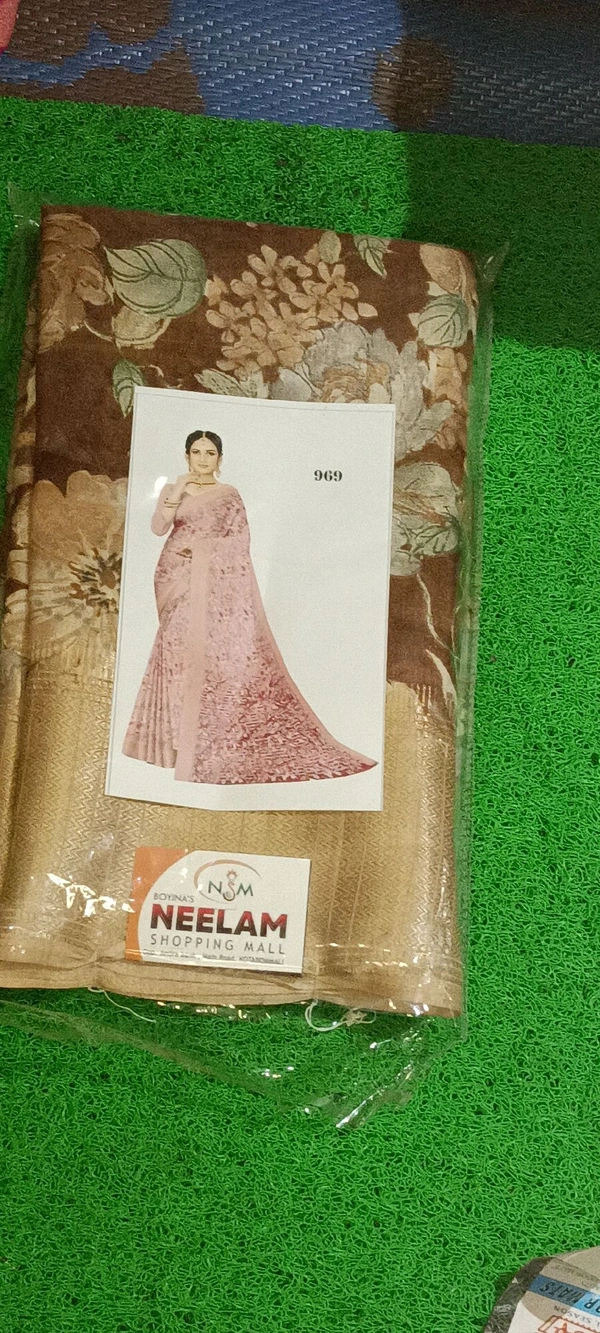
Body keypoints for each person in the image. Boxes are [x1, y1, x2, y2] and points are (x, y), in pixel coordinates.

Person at [123, 430, 376, 785]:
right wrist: (177, 490)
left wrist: (202, 552)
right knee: (175, 656)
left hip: (209, 580)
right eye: (196, 452)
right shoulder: (173, 489)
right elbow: (157, 528)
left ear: (219, 459)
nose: (202, 459)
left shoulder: (228, 495)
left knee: (203, 658)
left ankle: (198, 744)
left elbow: (239, 541)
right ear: (187, 455)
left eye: (210, 453)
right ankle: (173, 747)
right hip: (173, 575)